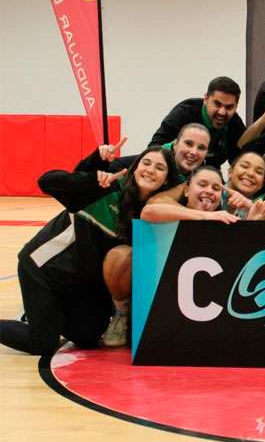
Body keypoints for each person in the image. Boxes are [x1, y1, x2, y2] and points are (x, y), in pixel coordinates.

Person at [0, 144, 178, 355]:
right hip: (44, 270)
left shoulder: (152, 213)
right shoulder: (104, 189)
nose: (150, 170)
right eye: (146, 163)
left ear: (166, 179)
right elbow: (46, 181)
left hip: (79, 284)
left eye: (160, 167)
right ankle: (42, 317)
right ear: (135, 167)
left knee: (88, 336)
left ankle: (46, 314)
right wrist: (90, 178)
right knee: (43, 342)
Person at [149, 77, 245, 168]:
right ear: (206, 99)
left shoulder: (234, 123)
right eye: (217, 104)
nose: (222, 112)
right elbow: (152, 151)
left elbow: (240, 160)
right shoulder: (184, 113)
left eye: (229, 107)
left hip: (208, 176)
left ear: (236, 107)